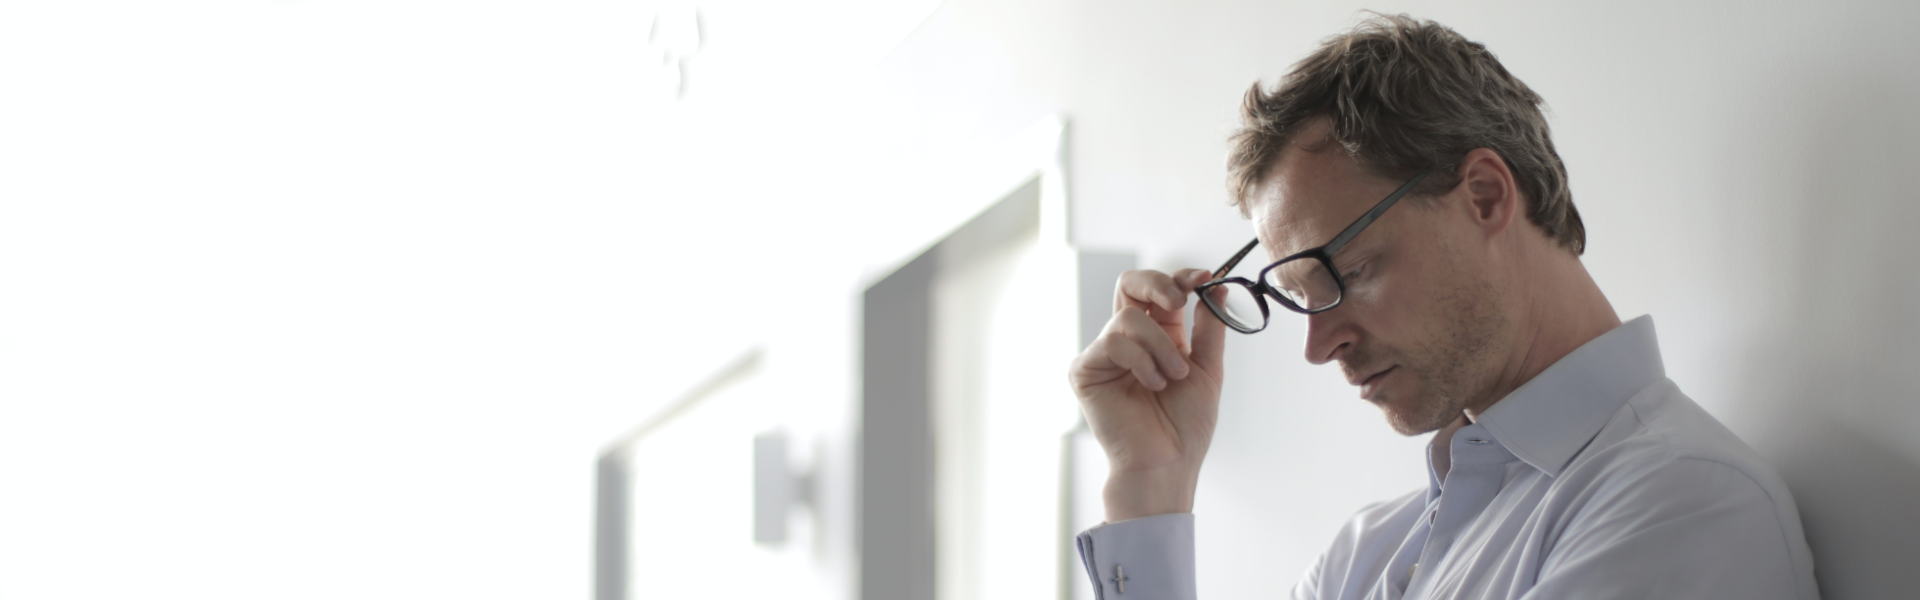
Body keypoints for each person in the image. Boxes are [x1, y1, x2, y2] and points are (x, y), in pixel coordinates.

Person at [1067, 14, 1818, 600]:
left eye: (1351, 271)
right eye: (1298, 300)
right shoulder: (1364, 558)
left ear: (1485, 196)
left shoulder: (1682, 507)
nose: (1319, 345)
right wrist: (1150, 484)